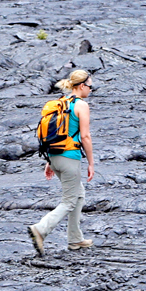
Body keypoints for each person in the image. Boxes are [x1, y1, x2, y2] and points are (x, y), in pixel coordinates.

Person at [27, 69, 94, 255]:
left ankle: (75, 239)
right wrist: (91, 163)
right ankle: (40, 230)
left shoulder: (59, 103)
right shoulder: (81, 105)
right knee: (69, 201)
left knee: (78, 195)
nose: (90, 90)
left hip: (55, 157)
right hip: (69, 158)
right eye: (90, 86)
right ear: (81, 86)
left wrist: (50, 162)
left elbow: (55, 135)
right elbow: (85, 137)